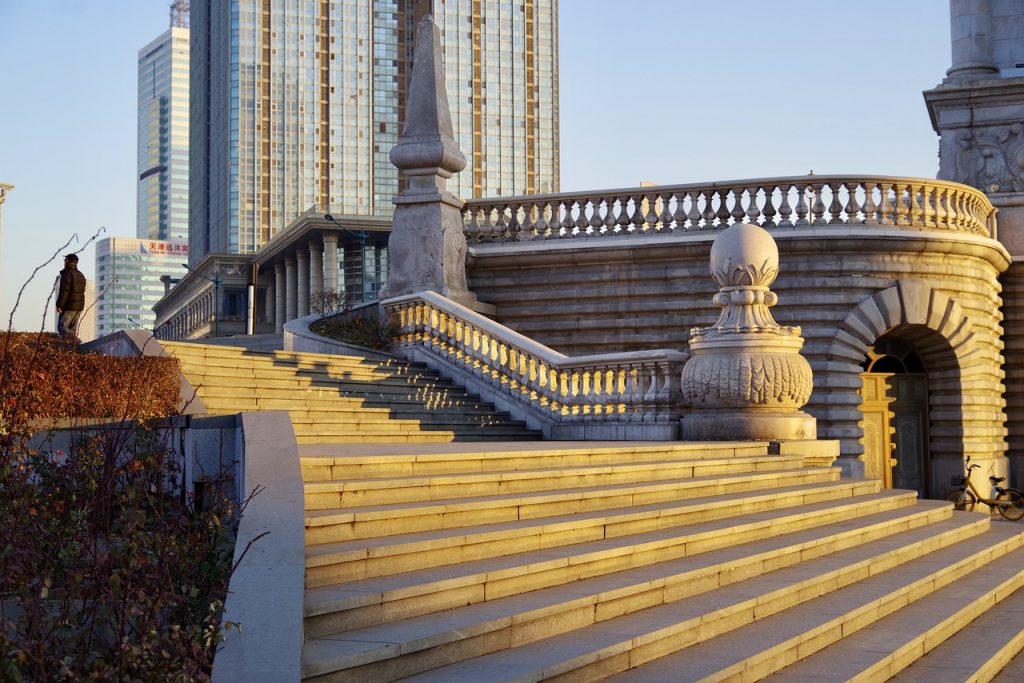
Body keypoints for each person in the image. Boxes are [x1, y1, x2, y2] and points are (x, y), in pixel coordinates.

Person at [56, 253, 86, 341]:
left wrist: (59, 305)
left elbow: (64, 291)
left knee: (62, 328)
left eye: (65, 260)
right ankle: (71, 348)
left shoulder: (67, 274)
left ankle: (76, 340)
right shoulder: (81, 275)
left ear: (67, 261)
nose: (64, 262)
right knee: (72, 329)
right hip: (79, 307)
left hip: (69, 306)